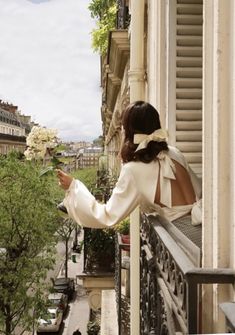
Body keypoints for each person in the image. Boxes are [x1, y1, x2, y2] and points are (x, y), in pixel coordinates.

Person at [57, 101, 201, 228]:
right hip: (203, 231)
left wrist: (73, 187)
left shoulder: (134, 170)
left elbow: (106, 215)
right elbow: (198, 191)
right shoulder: (174, 153)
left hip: (181, 243)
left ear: (128, 131)